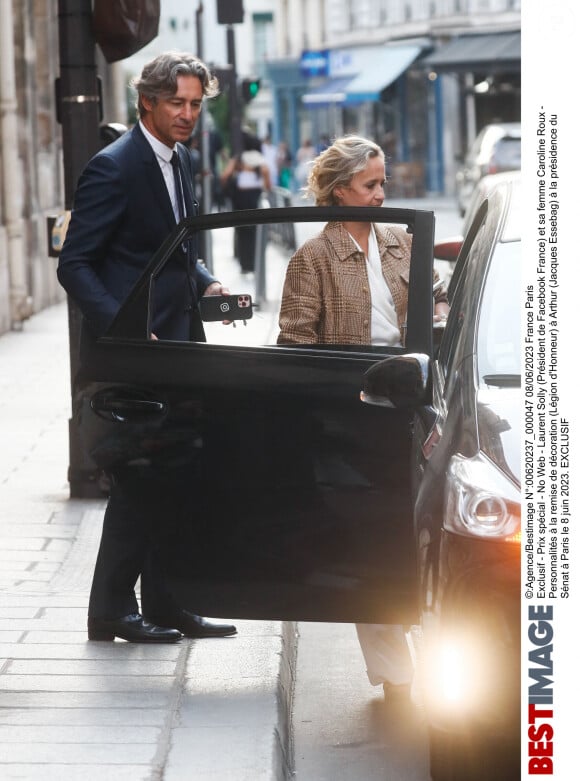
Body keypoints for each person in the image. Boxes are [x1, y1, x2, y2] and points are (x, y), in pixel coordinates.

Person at [57, 51, 237, 644]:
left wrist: (208, 280)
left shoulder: (180, 160)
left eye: (195, 104)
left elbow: (177, 247)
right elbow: (76, 265)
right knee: (139, 480)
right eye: (177, 103)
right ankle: (110, 609)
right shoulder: (114, 167)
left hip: (178, 348)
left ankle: (164, 603)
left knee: (176, 475)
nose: (188, 114)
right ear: (147, 103)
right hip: (134, 354)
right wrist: (127, 326)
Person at [277, 135, 449, 695]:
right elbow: (296, 343)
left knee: (418, 531)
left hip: (416, 402)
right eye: (369, 185)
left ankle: (440, 651)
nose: (381, 194)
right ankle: (396, 673)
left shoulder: (402, 241)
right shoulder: (313, 259)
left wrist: (443, 314)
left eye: (383, 183)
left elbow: (439, 298)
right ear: (337, 190)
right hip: (354, 411)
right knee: (369, 541)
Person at [221, 130, 271, 273]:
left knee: (242, 232)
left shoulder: (239, 159)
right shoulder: (260, 160)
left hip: (241, 200)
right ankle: (255, 263)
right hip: (256, 199)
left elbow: (224, 176)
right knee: (257, 231)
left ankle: (245, 264)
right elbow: (268, 184)